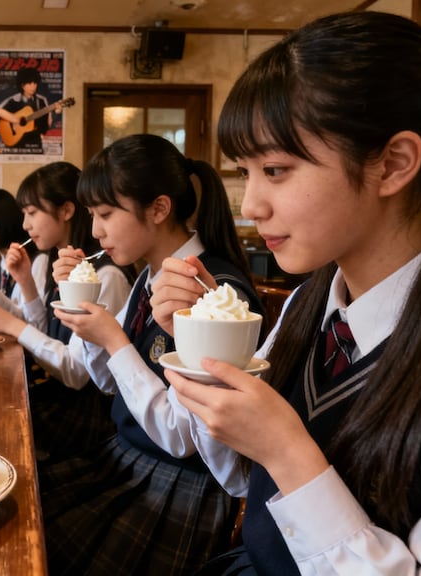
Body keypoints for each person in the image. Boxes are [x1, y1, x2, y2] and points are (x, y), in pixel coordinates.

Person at [150, 12, 421, 575]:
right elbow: (245, 476)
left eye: (278, 168)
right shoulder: (310, 304)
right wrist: (205, 348)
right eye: (245, 171)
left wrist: (291, 450)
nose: (250, 206)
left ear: (393, 163)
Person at [41, 133, 262, 575]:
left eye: (105, 214)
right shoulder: (147, 278)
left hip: (176, 487)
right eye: (90, 216)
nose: (96, 231)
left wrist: (116, 341)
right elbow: (104, 381)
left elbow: (182, 438)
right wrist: (83, 308)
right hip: (124, 458)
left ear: (159, 209)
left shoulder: (215, 293)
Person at [0, 162, 135, 465]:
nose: (25, 225)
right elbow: (44, 330)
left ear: (66, 211)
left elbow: (75, 373)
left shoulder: (105, 277)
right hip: (59, 396)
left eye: (32, 213)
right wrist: (26, 283)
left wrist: (14, 327)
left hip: (86, 417)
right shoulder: (51, 262)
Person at [0, 67, 61, 153]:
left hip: (34, 143)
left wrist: (56, 112)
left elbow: (47, 123)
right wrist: (16, 120)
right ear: (22, 85)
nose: (33, 86)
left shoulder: (41, 100)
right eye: (29, 83)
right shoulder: (15, 99)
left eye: (35, 83)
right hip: (16, 143)